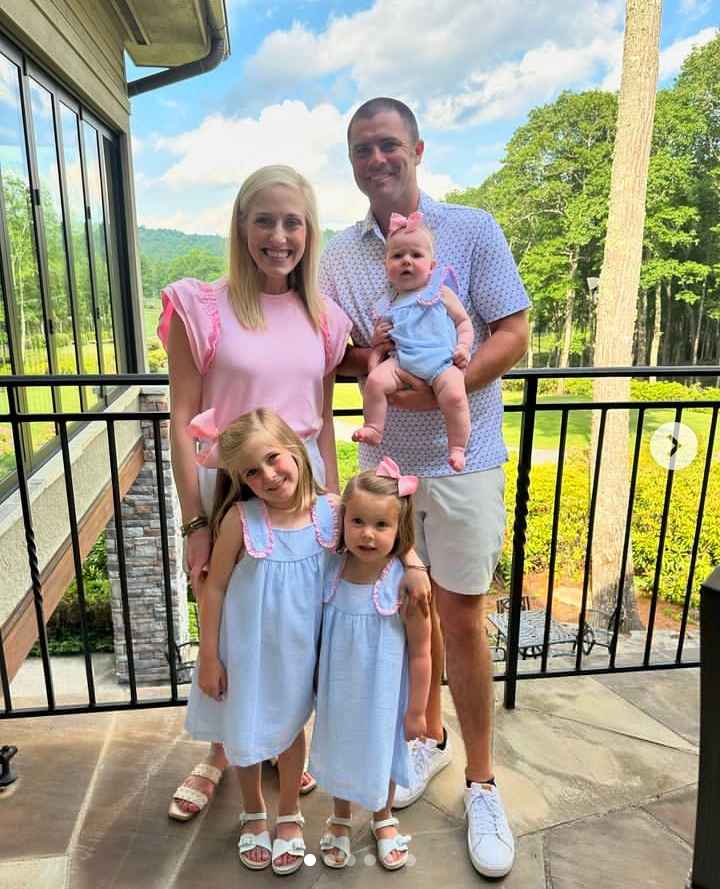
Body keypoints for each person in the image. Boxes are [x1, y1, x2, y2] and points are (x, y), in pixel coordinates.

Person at [320, 97, 530, 879]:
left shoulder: (472, 229)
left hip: (463, 455)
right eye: (361, 150)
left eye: (387, 145)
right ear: (353, 164)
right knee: (410, 609)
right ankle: (426, 739)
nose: (376, 160)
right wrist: (369, 365)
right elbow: (338, 353)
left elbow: (513, 328)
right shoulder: (342, 255)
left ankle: (482, 781)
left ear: (416, 147)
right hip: (384, 471)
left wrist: (446, 386)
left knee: (463, 614)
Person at [160, 165, 352, 820]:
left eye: (292, 221)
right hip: (231, 492)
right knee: (232, 628)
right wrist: (196, 523)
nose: (279, 235)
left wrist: (335, 507)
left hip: (303, 497)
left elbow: (321, 424)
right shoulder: (202, 307)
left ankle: (276, 740)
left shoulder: (323, 319)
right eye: (264, 220)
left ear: (309, 231)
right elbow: (183, 421)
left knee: (292, 629)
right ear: (241, 226)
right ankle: (220, 751)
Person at [184, 408, 339, 875]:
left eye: (274, 459)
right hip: (247, 652)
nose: (269, 475)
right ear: (241, 479)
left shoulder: (332, 512)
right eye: (252, 471)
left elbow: (386, 532)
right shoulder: (241, 519)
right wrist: (209, 656)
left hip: (300, 652)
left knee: (291, 730)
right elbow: (214, 587)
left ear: (295, 448)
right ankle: (253, 809)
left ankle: (288, 812)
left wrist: (412, 568)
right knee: (245, 731)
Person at [309, 458, 431, 871]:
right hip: (339, 691)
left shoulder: (403, 582)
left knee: (384, 749)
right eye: (358, 521)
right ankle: (340, 817)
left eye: (381, 525)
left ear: (400, 531)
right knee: (341, 748)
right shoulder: (331, 571)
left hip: (383, 694)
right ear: (343, 521)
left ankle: (383, 816)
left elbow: (421, 650)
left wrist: (417, 709)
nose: (367, 533)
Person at [353, 210, 473, 471]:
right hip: (401, 363)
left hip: (441, 363)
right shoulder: (388, 302)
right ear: (387, 265)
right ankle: (374, 427)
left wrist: (463, 347)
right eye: (397, 256)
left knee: (455, 396)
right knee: (375, 381)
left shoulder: (440, 291)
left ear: (431, 265)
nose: (406, 261)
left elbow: (464, 323)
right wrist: (377, 339)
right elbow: (380, 344)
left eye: (416, 255)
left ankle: (457, 447)